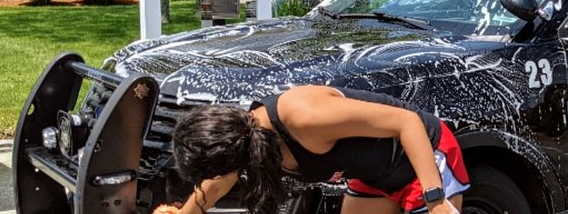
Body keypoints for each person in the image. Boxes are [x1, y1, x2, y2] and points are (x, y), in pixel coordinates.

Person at [168, 86, 468, 214]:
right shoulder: (244, 140)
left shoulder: (304, 116)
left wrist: (435, 200)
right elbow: (217, 183)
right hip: (375, 175)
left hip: (423, 158)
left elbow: (407, 122)